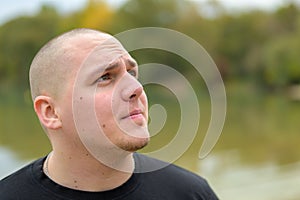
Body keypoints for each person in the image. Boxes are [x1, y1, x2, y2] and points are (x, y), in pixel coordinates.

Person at [0, 28, 218, 200]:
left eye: (132, 72)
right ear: (51, 112)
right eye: (105, 77)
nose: (137, 88)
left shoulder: (190, 193)